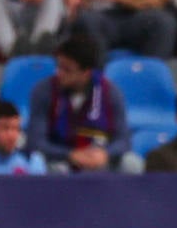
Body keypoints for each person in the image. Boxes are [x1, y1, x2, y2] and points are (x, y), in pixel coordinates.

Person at [25, 32, 131, 172]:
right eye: (59, 66)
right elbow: (36, 142)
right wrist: (70, 155)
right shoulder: (44, 91)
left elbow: (123, 139)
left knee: (131, 163)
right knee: (48, 166)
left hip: (98, 157)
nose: (59, 73)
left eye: (67, 70)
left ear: (86, 73)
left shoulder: (110, 93)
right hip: (59, 158)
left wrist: (105, 154)